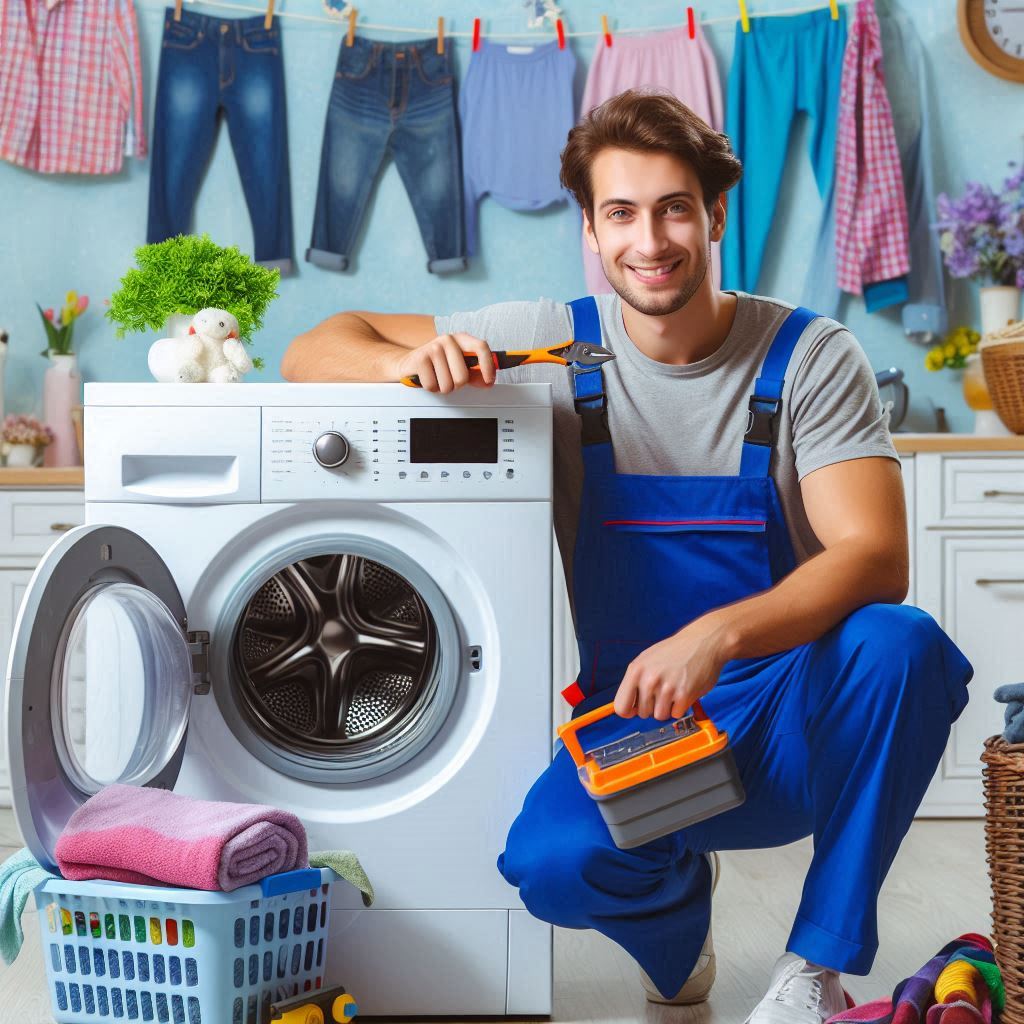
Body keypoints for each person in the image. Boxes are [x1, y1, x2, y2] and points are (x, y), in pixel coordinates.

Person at [280, 89, 973, 1024]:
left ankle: (816, 964)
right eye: (622, 214)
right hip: (634, 730)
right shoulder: (549, 342)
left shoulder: (810, 355)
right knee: (548, 866)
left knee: (902, 641)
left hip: (789, 724)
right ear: (592, 234)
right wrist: (405, 364)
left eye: (675, 207)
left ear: (715, 215)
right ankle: (678, 923)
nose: (651, 240)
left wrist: (717, 637)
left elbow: (876, 557)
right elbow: (314, 346)